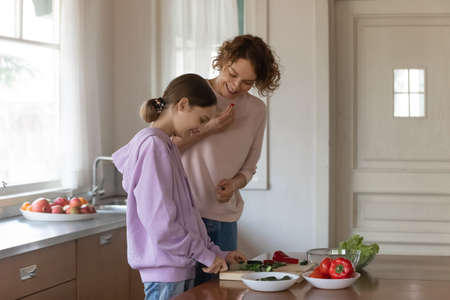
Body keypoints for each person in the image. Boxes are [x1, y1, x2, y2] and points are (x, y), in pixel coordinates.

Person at [112, 73, 246, 300]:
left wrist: (218, 254)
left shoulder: (166, 146)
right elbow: (162, 224)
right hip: (166, 274)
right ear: (183, 105)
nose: (201, 128)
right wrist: (205, 255)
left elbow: (186, 218)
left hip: (176, 269)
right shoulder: (153, 147)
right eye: (202, 120)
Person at [172, 35, 281, 285]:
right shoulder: (191, 92)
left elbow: (249, 168)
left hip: (224, 220)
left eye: (247, 82)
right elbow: (165, 148)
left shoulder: (256, 110)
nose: (235, 86)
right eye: (232, 74)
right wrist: (210, 128)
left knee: (221, 294)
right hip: (183, 218)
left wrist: (234, 184)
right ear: (223, 60)